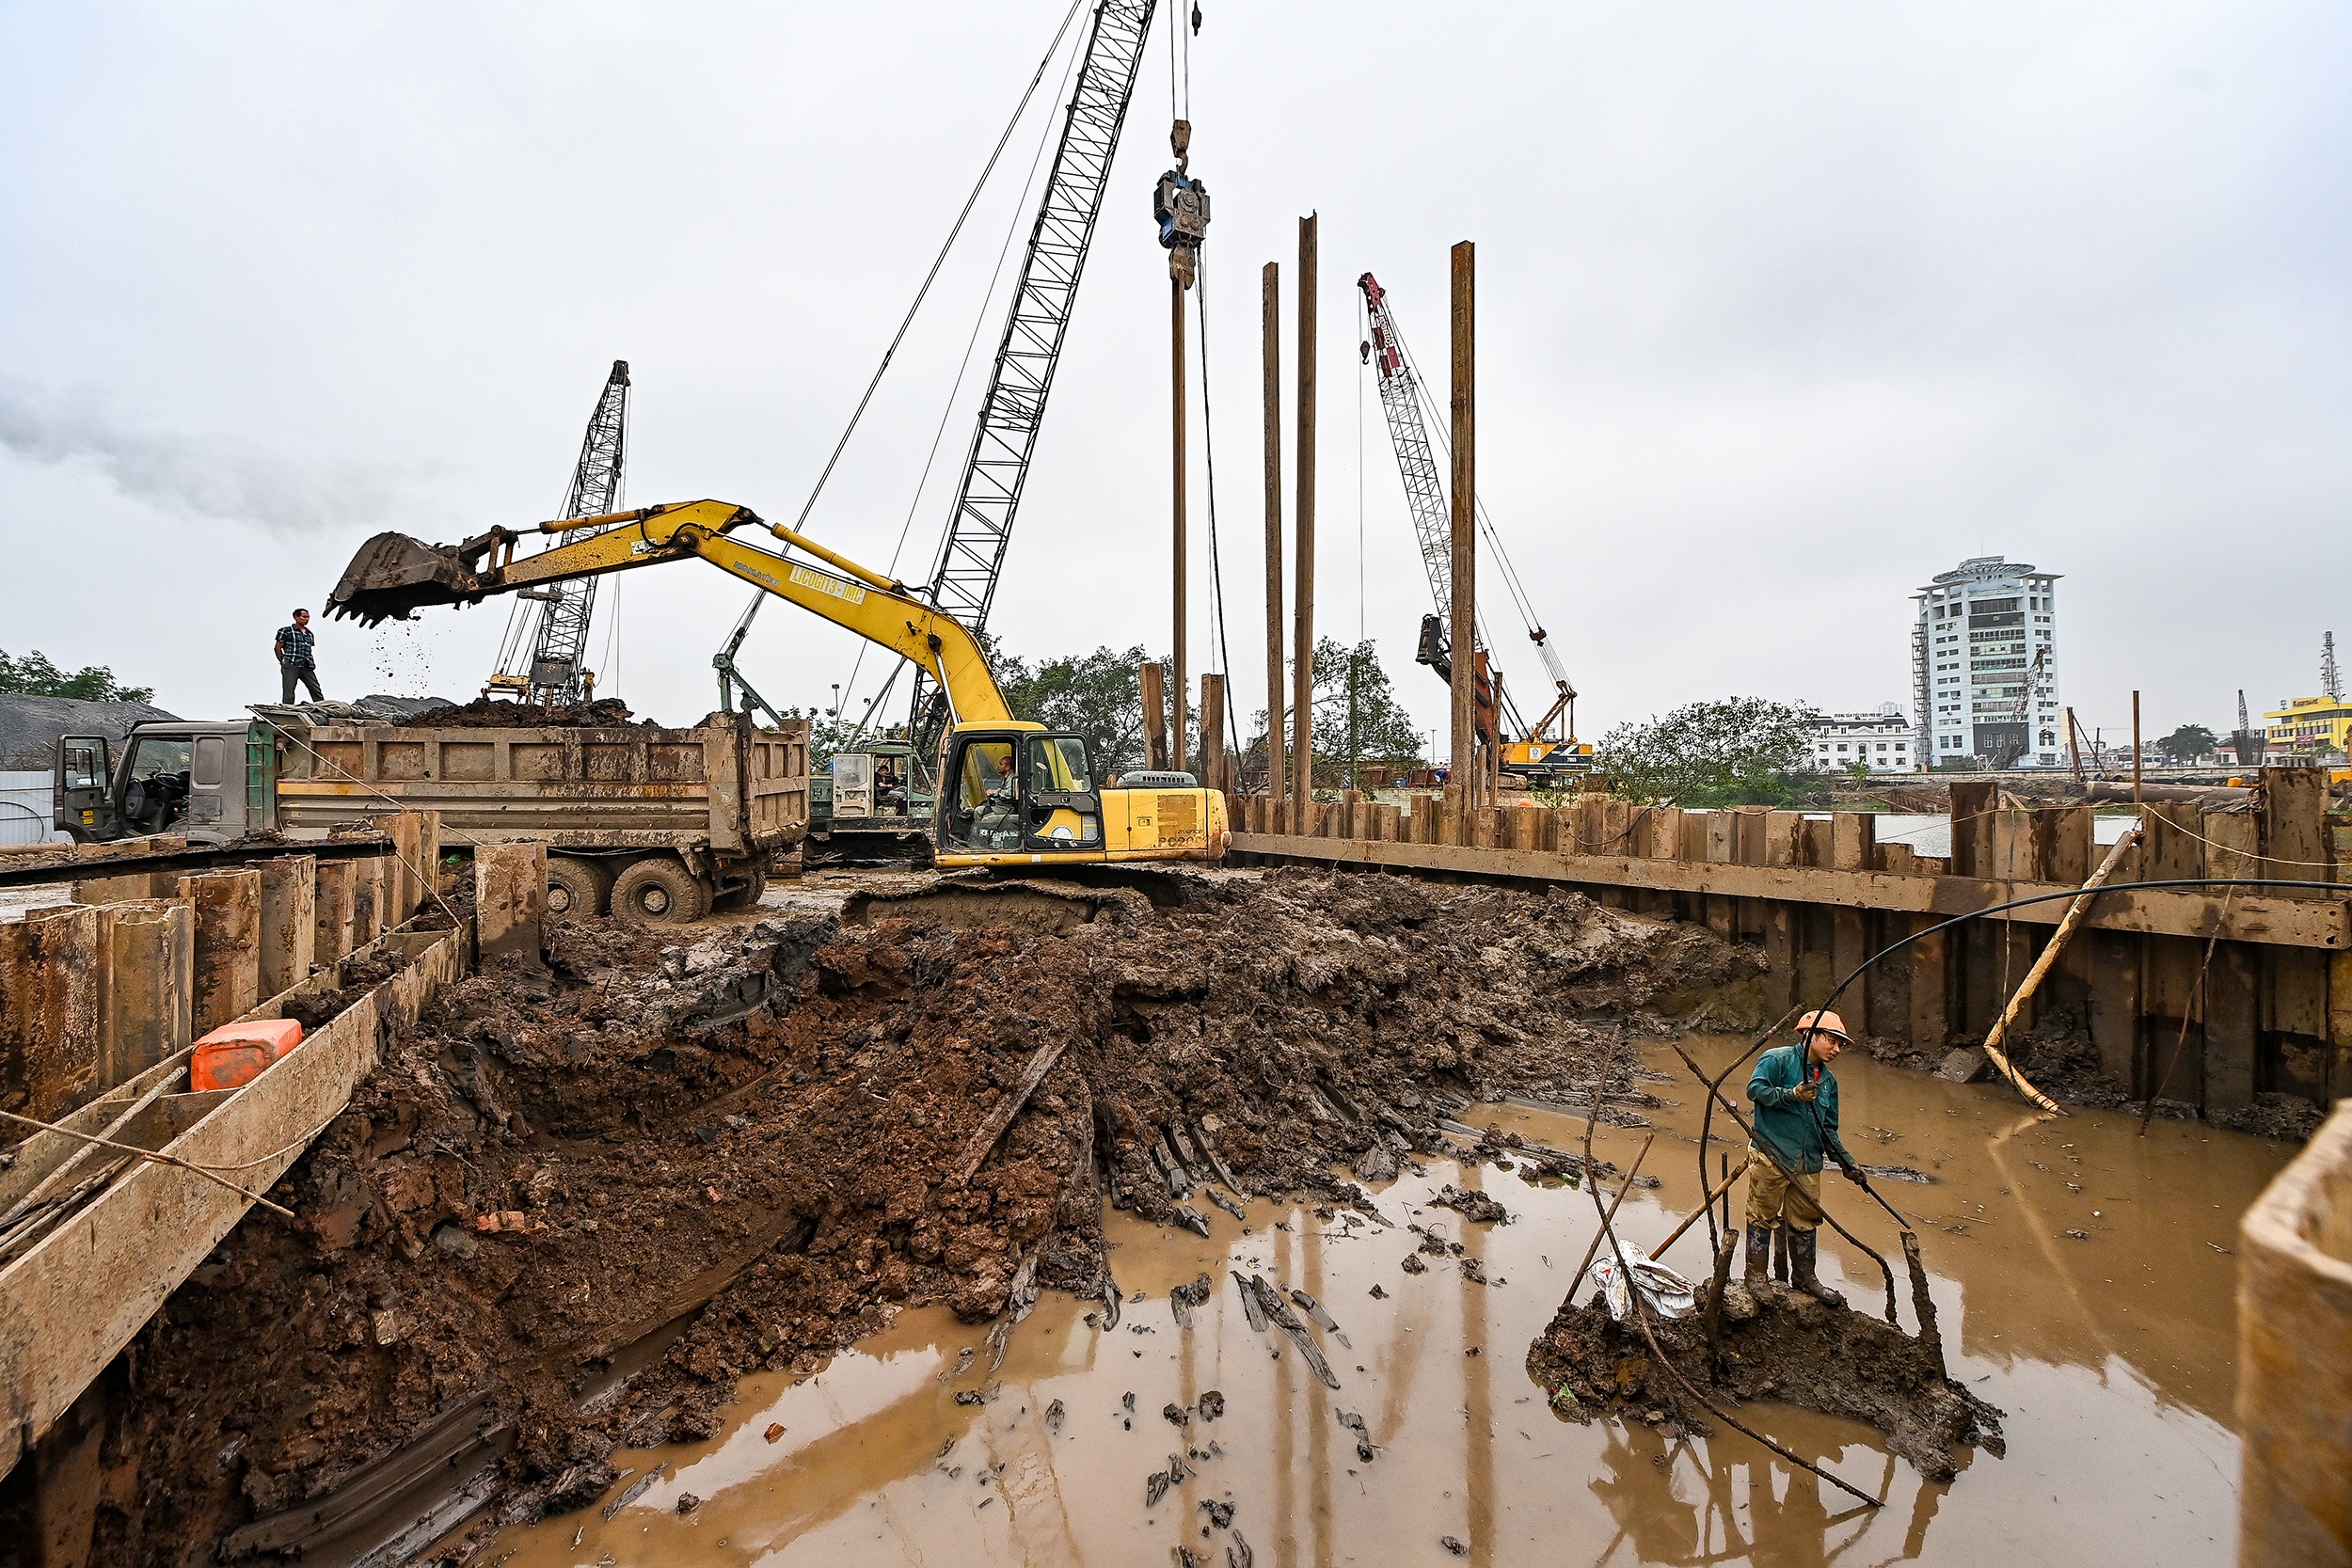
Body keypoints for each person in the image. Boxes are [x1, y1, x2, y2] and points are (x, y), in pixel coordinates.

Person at [1743, 1007, 1868, 1306]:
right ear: (1810, 1036)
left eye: (1841, 1045)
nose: (1837, 1049)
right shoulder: (1778, 1059)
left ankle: (1804, 1278)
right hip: (1772, 1154)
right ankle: (1756, 1277)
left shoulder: (1828, 1082)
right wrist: (1792, 1095)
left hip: (1807, 1162)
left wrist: (1847, 1162)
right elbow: (1755, 1090)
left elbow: (1828, 1129)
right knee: (1763, 1214)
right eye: (1832, 1041)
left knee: (1806, 1219)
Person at [274, 608, 324, 704]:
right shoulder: (286, 631)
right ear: (296, 617)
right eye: (304, 616)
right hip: (292, 663)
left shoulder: (309, 634)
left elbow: (309, 650)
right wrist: (283, 662)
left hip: (306, 665)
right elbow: (277, 648)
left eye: (308, 617)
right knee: (289, 692)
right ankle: (287, 712)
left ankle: (323, 710)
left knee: (316, 690)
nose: (307, 619)